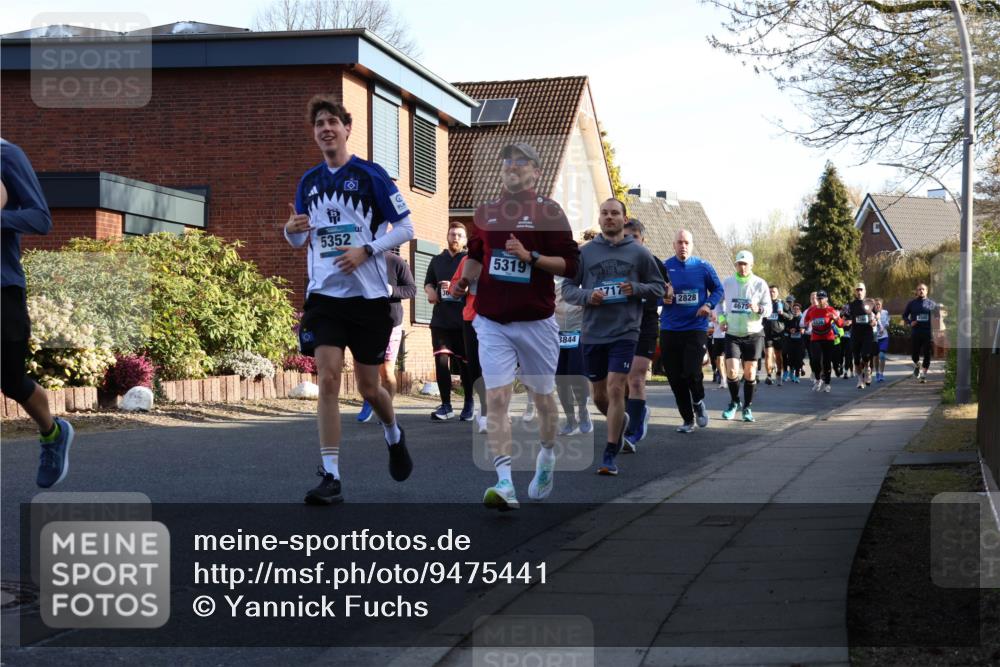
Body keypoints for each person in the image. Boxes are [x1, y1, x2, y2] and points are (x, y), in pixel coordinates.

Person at [285, 95, 414, 505]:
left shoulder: (371, 175)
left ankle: (393, 434)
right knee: (326, 378)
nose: (325, 128)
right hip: (324, 295)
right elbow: (300, 238)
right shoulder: (309, 181)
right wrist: (290, 229)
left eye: (332, 122)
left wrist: (368, 250)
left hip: (368, 297)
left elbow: (406, 226)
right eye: (319, 123)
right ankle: (331, 475)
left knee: (370, 388)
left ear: (346, 129)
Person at [451, 142, 579, 510]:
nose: (512, 167)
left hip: (536, 322)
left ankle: (548, 455)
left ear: (536, 172)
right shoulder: (487, 212)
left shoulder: (549, 212)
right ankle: (504, 482)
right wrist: (464, 280)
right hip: (492, 320)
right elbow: (476, 257)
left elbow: (571, 267)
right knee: (496, 398)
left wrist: (531, 257)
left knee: (542, 400)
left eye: (521, 163)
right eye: (507, 162)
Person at [562, 200, 665, 473]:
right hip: (594, 331)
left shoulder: (639, 253)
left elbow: (659, 289)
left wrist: (636, 288)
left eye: (614, 213)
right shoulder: (585, 253)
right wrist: (588, 296)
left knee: (617, 388)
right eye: (605, 213)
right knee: (598, 395)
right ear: (600, 218)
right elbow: (568, 289)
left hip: (626, 330)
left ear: (623, 217)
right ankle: (621, 421)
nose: (609, 218)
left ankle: (609, 454)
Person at [1, 139, 75, 488]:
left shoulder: (7, 155)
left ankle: (52, 432)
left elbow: (40, 218)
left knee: (11, 380)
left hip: (2, 287)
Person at [659, 229, 724, 433]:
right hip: (670, 328)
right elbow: (652, 291)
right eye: (679, 242)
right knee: (675, 377)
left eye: (686, 242)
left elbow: (718, 290)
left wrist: (708, 305)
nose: (683, 246)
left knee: (691, 371)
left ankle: (698, 401)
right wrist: (662, 297)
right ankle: (688, 420)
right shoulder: (664, 267)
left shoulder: (703, 267)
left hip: (695, 327)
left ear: (692, 244)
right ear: (673, 245)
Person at [622, 218, 670, 450]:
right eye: (626, 237)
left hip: (646, 322)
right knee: (618, 381)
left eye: (635, 238)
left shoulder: (654, 263)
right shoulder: (616, 262)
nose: (630, 242)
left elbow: (666, 289)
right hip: (619, 324)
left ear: (643, 239)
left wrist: (666, 291)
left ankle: (632, 432)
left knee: (637, 377)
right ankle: (637, 412)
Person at [424, 221, 475, 421]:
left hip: (463, 319)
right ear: (447, 236)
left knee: (465, 364)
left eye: (459, 235)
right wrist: (432, 291)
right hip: (441, 320)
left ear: (465, 240)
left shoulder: (470, 260)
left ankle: (469, 403)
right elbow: (428, 282)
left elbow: (477, 285)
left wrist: (460, 289)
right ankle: (446, 405)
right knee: (441, 359)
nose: (455, 238)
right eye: (452, 234)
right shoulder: (437, 260)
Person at [357, 250, 415, 422]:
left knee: (386, 370)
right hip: (364, 321)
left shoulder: (396, 261)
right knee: (366, 367)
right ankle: (369, 398)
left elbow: (411, 290)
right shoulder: (359, 259)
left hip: (391, 321)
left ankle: (385, 407)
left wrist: (391, 290)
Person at [716, 251, 771, 423]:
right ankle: (734, 402)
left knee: (750, 372)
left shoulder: (760, 284)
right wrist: (722, 319)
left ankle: (747, 407)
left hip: (753, 333)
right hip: (732, 333)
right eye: (739, 263)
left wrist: (759, 309)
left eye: (745, 264)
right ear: (736, 265)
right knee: (732, 370)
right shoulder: (728, 283)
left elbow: (768, 308)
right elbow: (718, 303)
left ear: (751, 265)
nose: (742, 267)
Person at [449, 254, 489, 433]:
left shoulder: (509, 253)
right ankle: (485, 405)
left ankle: (492, 411)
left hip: (499, 318)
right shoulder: (468, 259)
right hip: (471, 317)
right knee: (475, 367)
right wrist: (459, 287)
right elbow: (453, 288)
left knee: (497, 365)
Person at [554, 274, 593, 437]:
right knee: (560, 378)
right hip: (556, 332)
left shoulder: (582, 273)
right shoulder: (549, 274)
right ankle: (570, 419)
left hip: (578, 330)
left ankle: (583, 411)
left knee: (576, 374)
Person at [802, 290, 842, 393]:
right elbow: (805, 321)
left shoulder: (830, 310)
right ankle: (818, 380)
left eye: (822, 298)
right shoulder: (812, 310)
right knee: (815, 360)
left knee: (826, 361)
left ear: (826, 299)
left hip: (828, 338)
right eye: (818, 298)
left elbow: (841, 324)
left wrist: (836, 319)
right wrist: (806, 324)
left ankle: (827, 383)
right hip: (815, 338)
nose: (820, 300)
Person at [844, 282, 878, 390]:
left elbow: (877, 313)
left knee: (866, 355)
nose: (859, 292)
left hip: (867, 332)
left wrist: (875, 320)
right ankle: (860, 379)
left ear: (865, 291)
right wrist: (847, 322)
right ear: (855, 291)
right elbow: (846, 317)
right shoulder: (851, 305)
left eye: (861, 289)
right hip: (855, 333)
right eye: (857, 290)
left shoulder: (870, 302)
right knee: (857, 359)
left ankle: (867, 368)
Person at [902, 283, 938, 383]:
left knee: (927, 354)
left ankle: (923, 375)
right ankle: (918, 365)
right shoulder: (912, 303)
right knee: (914, 356)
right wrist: (910, 322)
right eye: (919, 289)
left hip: (927, 333)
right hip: (916, 332)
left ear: (927, 291)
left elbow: (937, 316)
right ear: (916, 292)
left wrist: (936, 322)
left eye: (923, 289)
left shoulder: (931, 303)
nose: (921, 291)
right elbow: (904, 316)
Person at [763, 285, 792, 385]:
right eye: (770, 291)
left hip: (779, 334)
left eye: (774, 291)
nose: (772, 293)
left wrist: (782, 313)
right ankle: (769, 376)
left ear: (777, 293)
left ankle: (779, 373)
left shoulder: (782, 303)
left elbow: (790, 316)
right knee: (768, 354)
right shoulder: (765, 303)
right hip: (767, 333)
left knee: (778, 356)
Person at [782, 300, 806, 382]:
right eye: (794, 309)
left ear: (800, 310)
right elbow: (785, 328)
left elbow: (805, 327)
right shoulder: (790, 318)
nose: (795, 310)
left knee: (799, 358)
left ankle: (797, 376)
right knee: (791, 358)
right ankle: (791, 373)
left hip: (800, 342)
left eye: (797, 309)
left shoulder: (802, 318)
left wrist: (801, 329)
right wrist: (790, 330)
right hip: (791, 341)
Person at [874, 298, 890, 382]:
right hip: (875, 338)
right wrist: (875, 319)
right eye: (876, 304)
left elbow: (887, 323)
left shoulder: (885, 312)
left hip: (884, 337)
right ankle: (876, 372)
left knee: (882, 355)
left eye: (878, 304)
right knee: (876, 357)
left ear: (881, 305)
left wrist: (883, 328)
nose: (877, 306)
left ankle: (881, 374)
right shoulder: (872, 313)